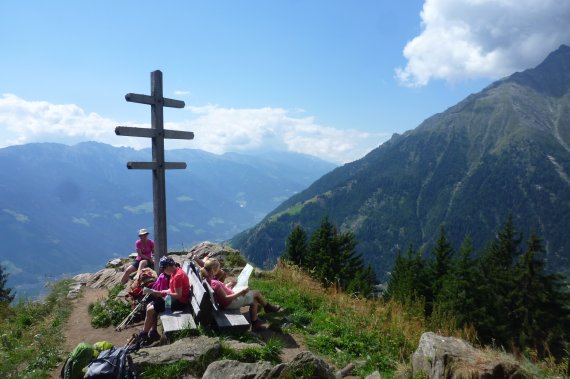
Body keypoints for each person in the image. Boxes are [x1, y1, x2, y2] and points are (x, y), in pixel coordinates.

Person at [200, 259, 280, 331]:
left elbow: (221, 290)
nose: (219, 271)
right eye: (218, 269)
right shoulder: (214, 283)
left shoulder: (210, 280)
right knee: (256, 293)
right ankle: (267, 307)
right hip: (230, 303)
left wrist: (230, 284)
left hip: (227, 301)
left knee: (254, 300)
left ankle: (255, 322)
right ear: (214, 270)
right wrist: (241, 293)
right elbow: (225, 298)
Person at [138, 256, 191, 344]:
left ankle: (144, 334)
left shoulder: (178, 276)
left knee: (151, 310)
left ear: (167, 267)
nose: (162, 271)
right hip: (174, 299)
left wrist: (163, 294)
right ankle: (151, 331)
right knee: (149, 306)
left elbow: (178, 295)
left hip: (180, 302)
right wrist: (159, 292)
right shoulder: (174, 272)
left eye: (163, 269)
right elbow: (172, 290)